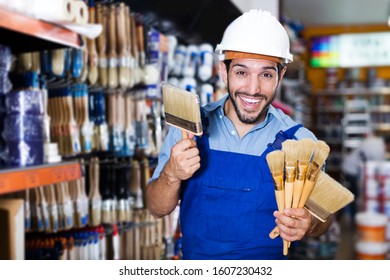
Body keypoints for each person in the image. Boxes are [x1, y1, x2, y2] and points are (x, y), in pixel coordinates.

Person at [146, 9, 332, 260]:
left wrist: (309, 223)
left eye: (266, 74)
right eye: (241, 72)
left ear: (281, 76)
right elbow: (156, 208)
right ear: (224, 72)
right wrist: (171, 174)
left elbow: (325, 217)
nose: (253, 89)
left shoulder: (300, 141)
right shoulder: (187, 130)